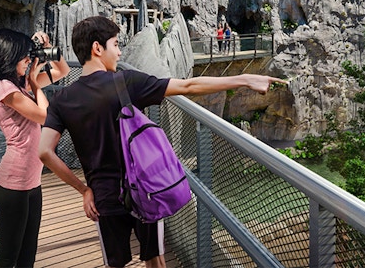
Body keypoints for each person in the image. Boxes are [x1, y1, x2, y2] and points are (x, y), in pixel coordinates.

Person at [39, 15, 286, 268]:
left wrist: (84, 190)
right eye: (115, 44)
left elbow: (45, 152)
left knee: (115, 263)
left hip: (103, 195)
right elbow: (188, 86)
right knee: (155, 259)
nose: (120, 52)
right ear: (97, 48)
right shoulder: (125, 82)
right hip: (145, 190)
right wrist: (245, 79)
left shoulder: (62, 99)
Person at [0, 28, 70, 268]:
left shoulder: (20, 85)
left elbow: (62, 70)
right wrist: (34, 82)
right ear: (8, 56)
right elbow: (45, 116)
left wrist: (48, 46)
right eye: (24, 56)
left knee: (27, 255)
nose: (28, 60)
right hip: (14, 183)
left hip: (32, 181)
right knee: (7, 257)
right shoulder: (4, 88)